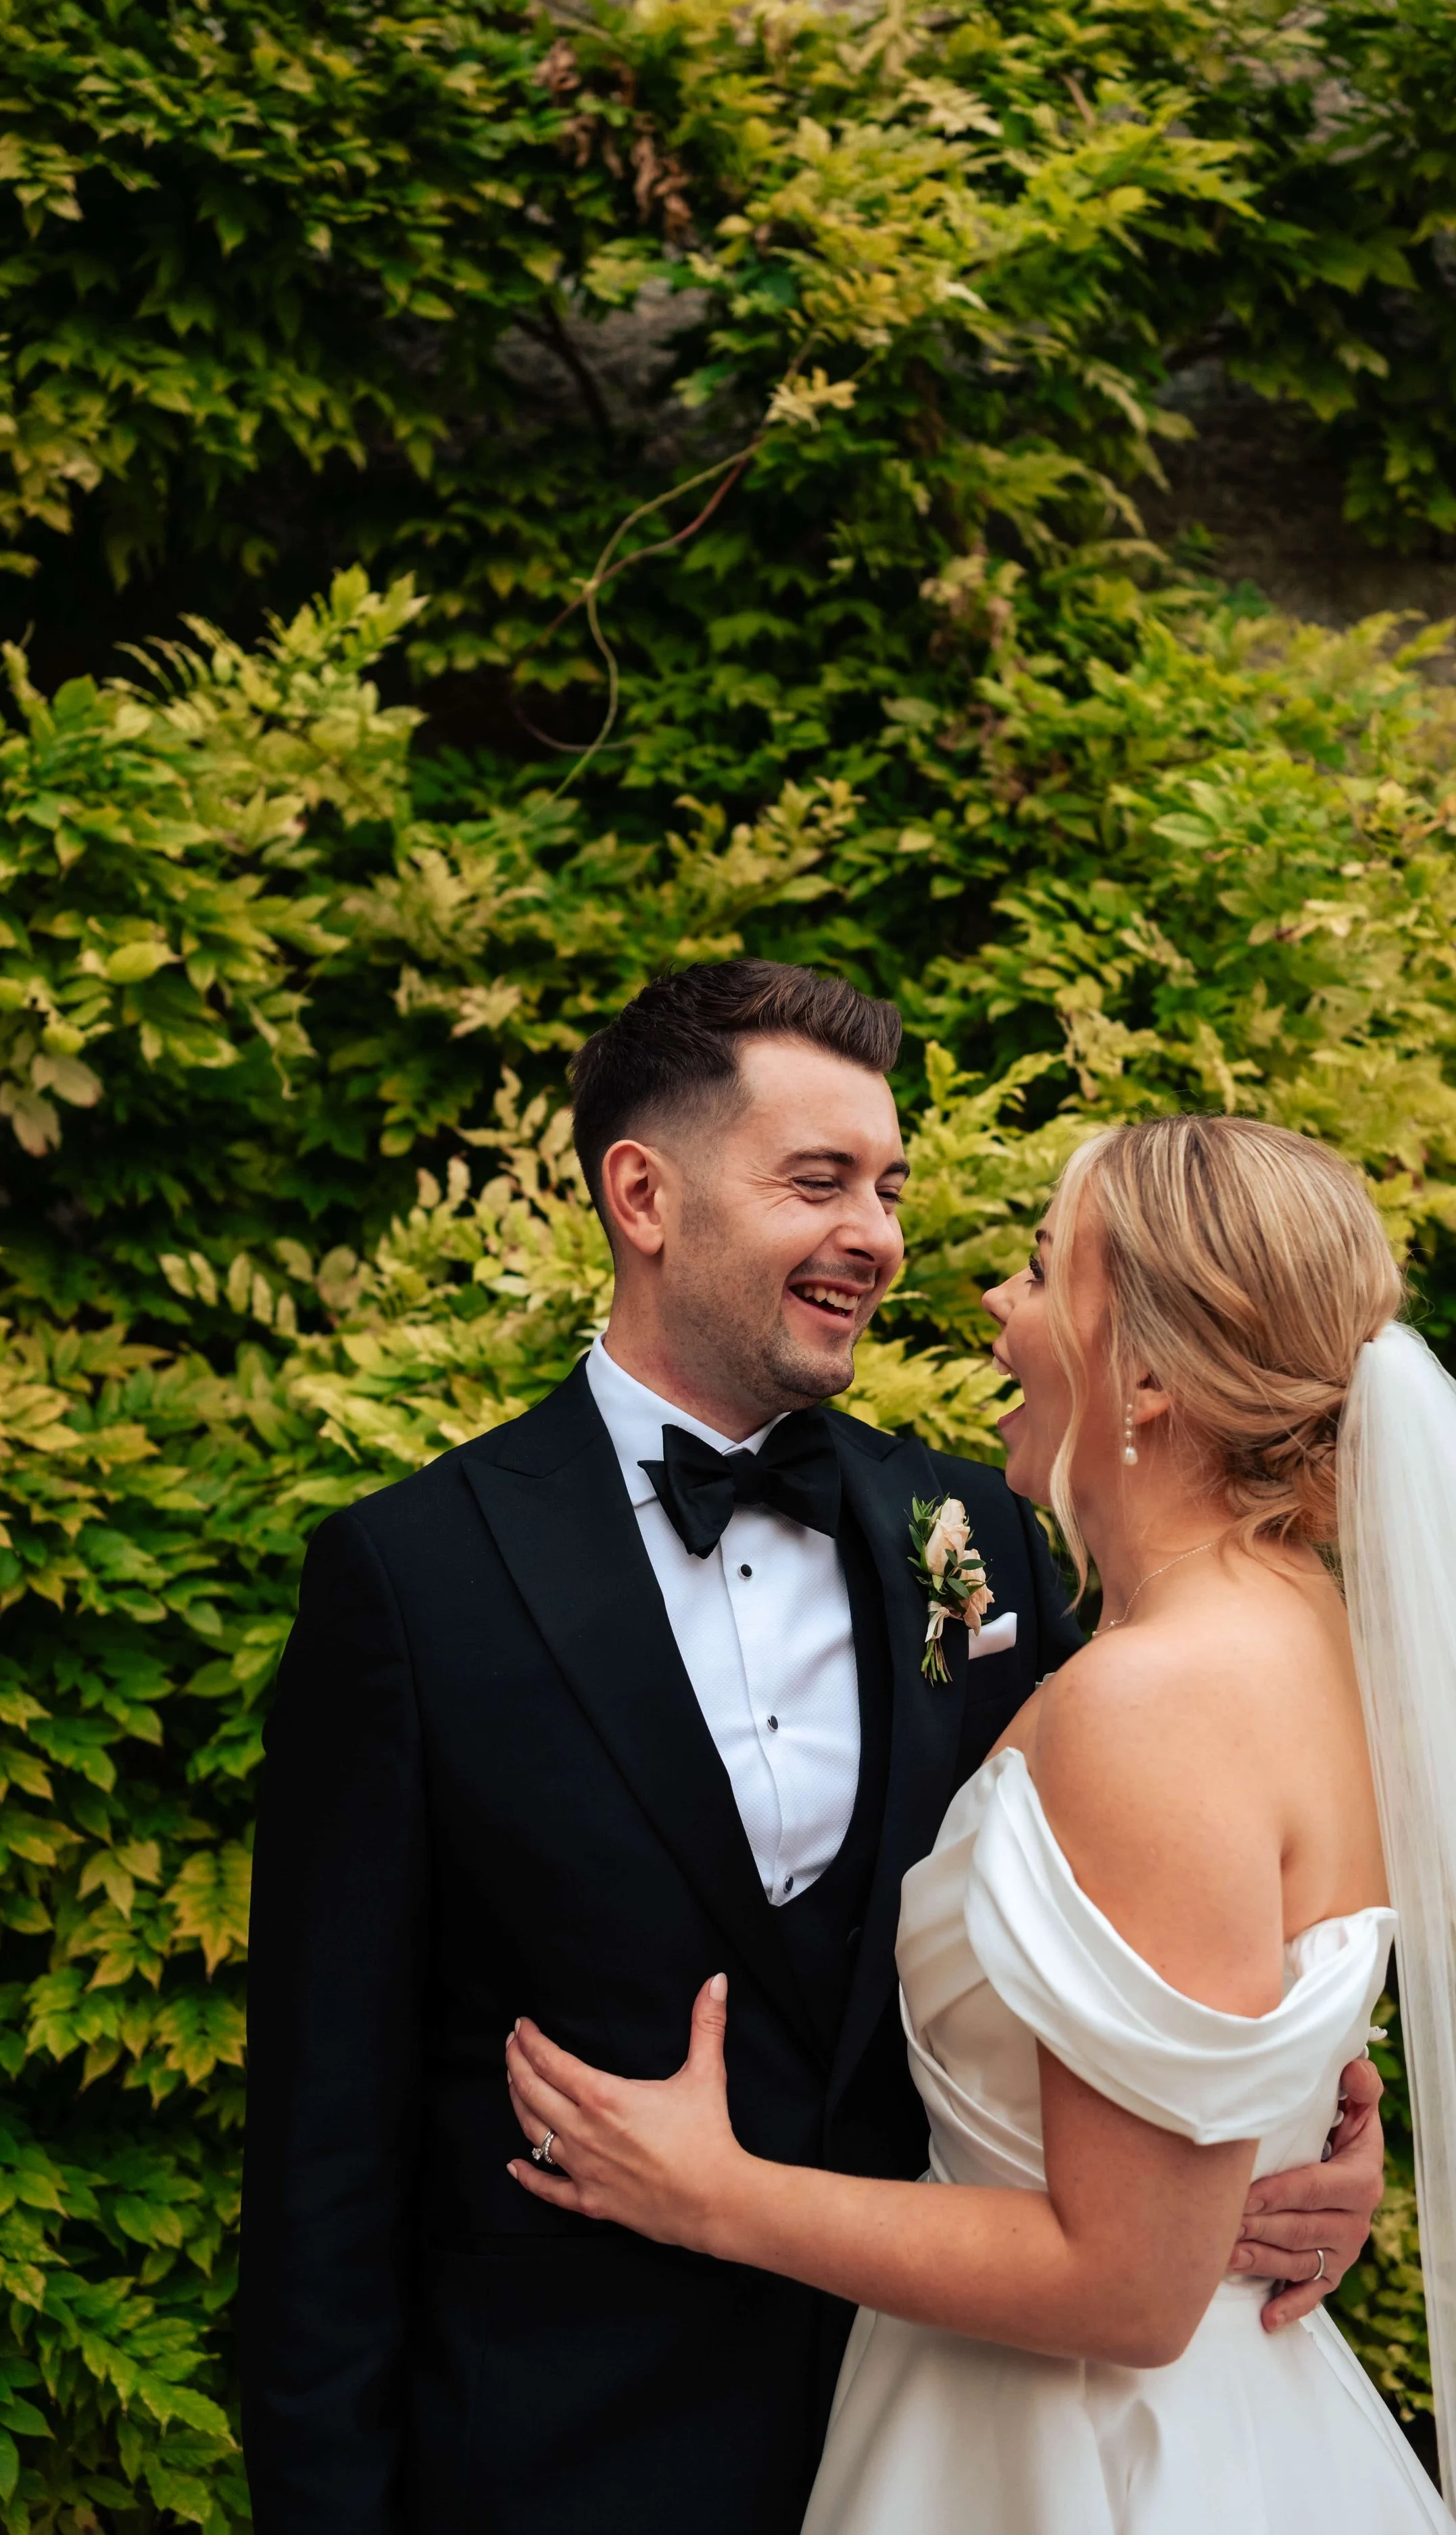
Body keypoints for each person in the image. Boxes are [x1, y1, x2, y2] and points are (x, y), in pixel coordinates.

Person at [239, 984, 1386, 2535]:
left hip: (976, 2432)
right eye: (818, 1181)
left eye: (890, 1186)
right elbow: (326, 2153)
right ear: (641, 1195)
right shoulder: (410, 1581)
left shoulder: (975, 1536)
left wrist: (1306, 2122)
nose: (882, 1237)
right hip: (572, 2465)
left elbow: (1154, 1926)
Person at [501, 1111, 1456, 2533]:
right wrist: (1303, 2129)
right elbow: (1221, 2030)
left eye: (1039, 1268)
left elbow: (1125, 2288)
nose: (993, 1308)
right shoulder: (1303, 1631)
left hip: (1084, 2458)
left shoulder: (1155, 1699)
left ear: (1142, 1371)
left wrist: (712, 2195)